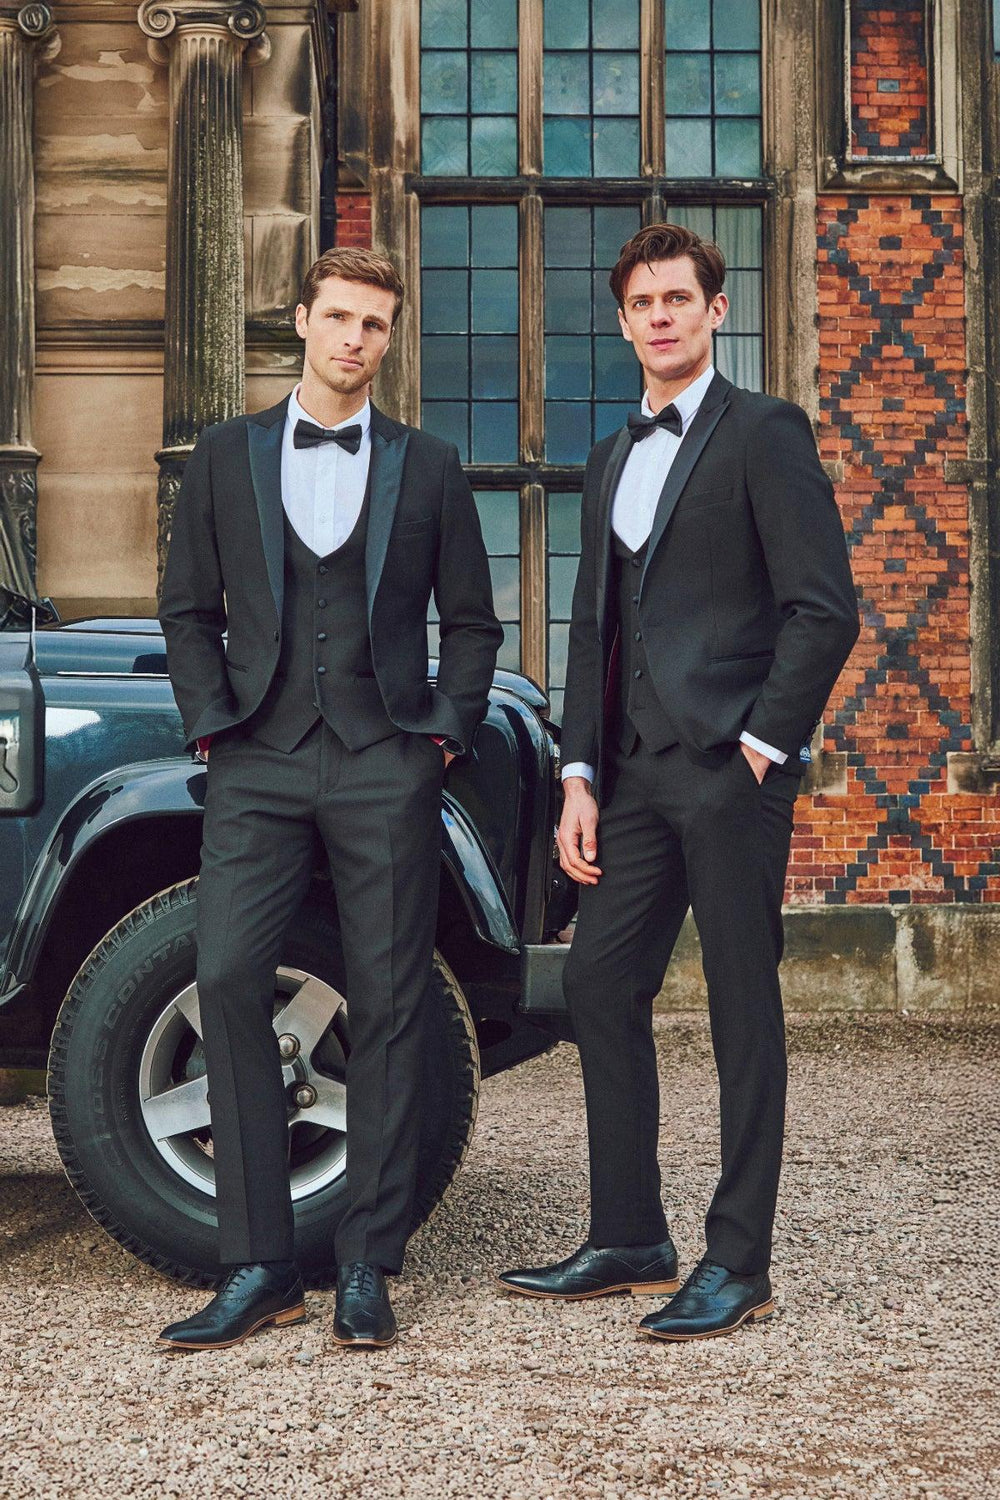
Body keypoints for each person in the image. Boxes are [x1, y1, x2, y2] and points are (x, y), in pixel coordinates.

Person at [498, 223, 859, 1341]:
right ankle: (628, 1237)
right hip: (635, 778)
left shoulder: (764, 433)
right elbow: (596, 623)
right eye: (641, 302)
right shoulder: (613, 455)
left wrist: (762, 747)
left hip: (729, 774)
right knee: (600, 985)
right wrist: (576, 773)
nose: (659, 315)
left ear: (714, 311)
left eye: (677, 298)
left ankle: (736, 1260)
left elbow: (823, 608)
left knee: (744, 1010)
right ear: (623, 321)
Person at [157, 247, 502, 1351]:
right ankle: (258, 1262)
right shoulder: (224, 455)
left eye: (377, 325)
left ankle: (366, 1262)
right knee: (223, 976)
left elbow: (476, 623)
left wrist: (438, 737)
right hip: (254, 758)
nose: (356, 339)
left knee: (394, 999)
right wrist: (213, 725)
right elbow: (185, 611)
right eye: (340, 317)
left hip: (381, 756)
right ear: (302, 320)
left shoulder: (430, 465)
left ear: (390, 340)